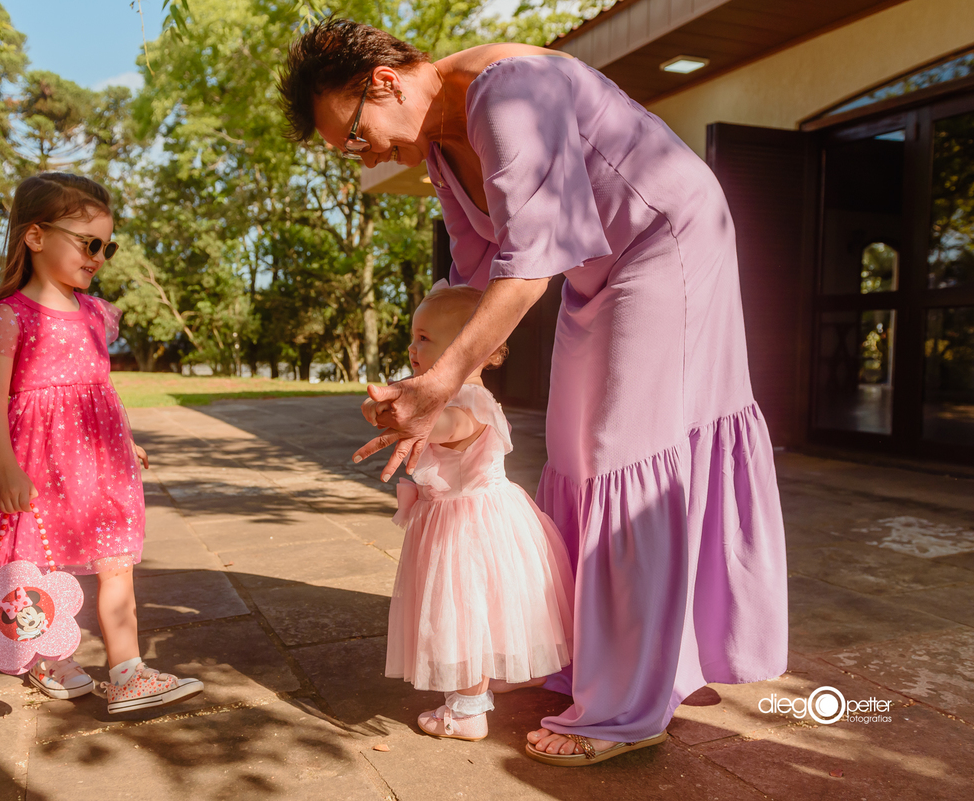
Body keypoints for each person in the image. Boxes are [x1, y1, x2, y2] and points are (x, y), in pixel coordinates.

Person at [281, 19, 788, 766]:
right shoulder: (443, 148)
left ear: (382, 83)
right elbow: (477, 278)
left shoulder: (507, 91)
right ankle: (610, 661)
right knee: (577, 453)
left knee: (624, 452)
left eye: (354, 136)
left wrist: (442, 380)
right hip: (593, 269)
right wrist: (427, 392)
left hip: (665, 239)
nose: (366, 156)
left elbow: (526, 270)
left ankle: (627, 707)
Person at [0, 172, 205, 713]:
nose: (99, 256)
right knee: (43, 562)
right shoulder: (11, 318)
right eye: (89, 242)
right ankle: (49, 655)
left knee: (117, 561)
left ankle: (127, 669)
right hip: (38, 462)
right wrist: (6, 468)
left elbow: (100, 390)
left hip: (101, 460)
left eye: (106, 246)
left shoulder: (94, 313)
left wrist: (124, 440)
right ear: (36, 237)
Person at [372, 283, 574, 742]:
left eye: (425, 338)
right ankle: (503, 671)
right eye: (413, 336)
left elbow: (448, 427)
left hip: (465, 530)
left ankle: (466, 711)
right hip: (476, 519)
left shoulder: (467, 404)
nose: (412, 347)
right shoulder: (454, 397)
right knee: (487, 609)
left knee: (463, 611)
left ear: (472, 346)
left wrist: (400, 413)